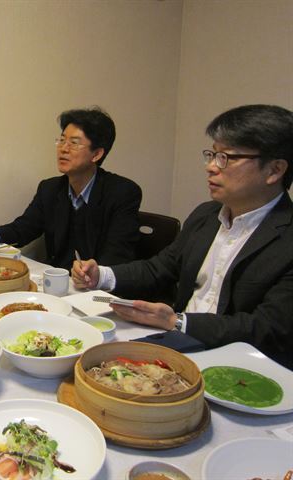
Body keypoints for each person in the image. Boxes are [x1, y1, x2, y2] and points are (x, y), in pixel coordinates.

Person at [72, 104, 293, 369]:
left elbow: (268, 328)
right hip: (183, 344)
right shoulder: (207, 215)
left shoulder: (286, 236)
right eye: (212, 154)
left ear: (274, 170)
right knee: (82, 353)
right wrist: (102, 275)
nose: (211, 167)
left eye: (226, 158)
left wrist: (178, 321)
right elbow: (162, 267)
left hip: (244, 366)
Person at [0, 107, 142, 270]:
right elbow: (24, 228)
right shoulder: (50, 189)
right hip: (59, 284)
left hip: (97, 293)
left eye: (74, 143)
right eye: (62, 140)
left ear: (96, 154)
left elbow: (117, 257)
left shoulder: (122, 193)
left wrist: (93, 275)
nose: (63, 149)